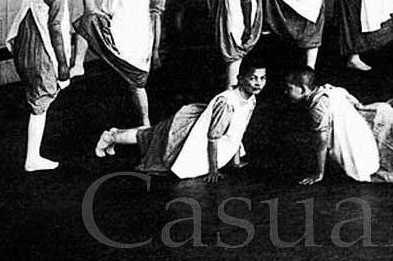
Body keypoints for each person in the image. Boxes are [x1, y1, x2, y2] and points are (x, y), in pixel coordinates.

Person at [95, 60, 266, 183]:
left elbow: (237, 131)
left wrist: (236, 161)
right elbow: (213, 137)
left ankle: (113, 135)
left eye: (262, 78)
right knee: (149, 137)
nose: (258, 83)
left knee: (149, 136)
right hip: (187, 132)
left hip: (197, 125)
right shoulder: (227, 103)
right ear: (240, 78)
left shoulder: (251, 98)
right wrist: (213, 170)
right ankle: (110, 137)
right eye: (253, 78)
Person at [4, 0, 72, 172]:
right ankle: (32, 158)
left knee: (36, 94)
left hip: (23, 47)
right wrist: (63, 64)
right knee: (40, 103)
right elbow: (56, 30)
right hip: (40, 52)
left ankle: (34, 155)